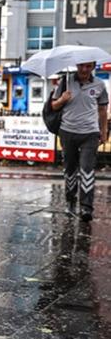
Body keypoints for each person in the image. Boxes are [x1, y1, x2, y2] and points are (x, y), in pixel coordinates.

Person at [51, 61, 109, 222]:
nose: (84, 69)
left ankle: (86, 207)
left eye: (88, 66)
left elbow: (102, 110)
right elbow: (53, 106)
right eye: (81, 66)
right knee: (70, 169)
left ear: (93, 67)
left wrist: (104, 131)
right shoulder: (65, 81)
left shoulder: (99, 84)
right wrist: (62, 99)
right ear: (77, 66)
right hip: (68, 132)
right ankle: (70, 201)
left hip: (90, 134)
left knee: (87, 169)